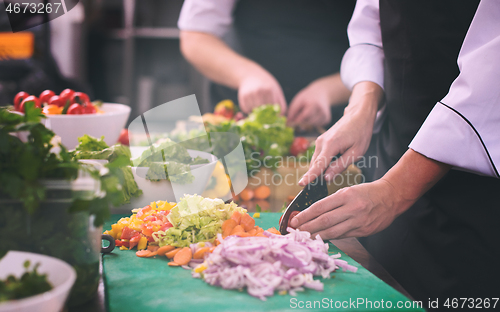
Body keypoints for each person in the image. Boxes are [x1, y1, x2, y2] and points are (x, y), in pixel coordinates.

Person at [292, 0, 500, 303]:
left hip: (476, 207)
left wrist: (394, 190)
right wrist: (361, 107)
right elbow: (373, 23)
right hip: (389, 165)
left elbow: (491, 82)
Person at [178, 0, 354, 127]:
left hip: (340, 122)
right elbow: (195, 37)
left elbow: (377, 53)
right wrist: (247, 75)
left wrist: (329, 91)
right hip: (240, 124)